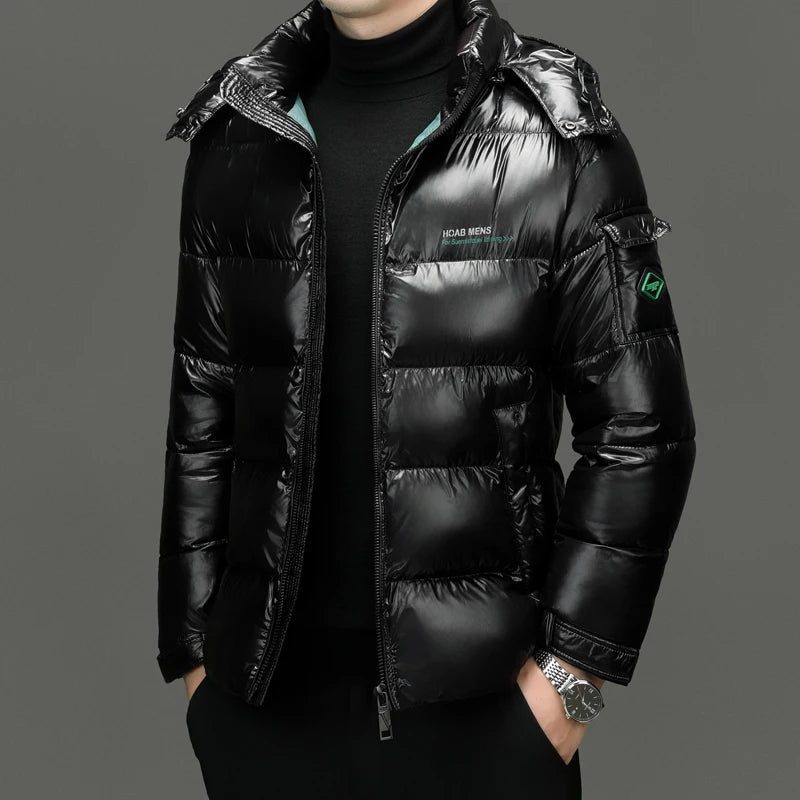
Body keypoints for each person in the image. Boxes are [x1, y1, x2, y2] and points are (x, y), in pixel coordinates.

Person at [156, 0, 697, 797]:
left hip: (485, 723)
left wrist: (568, 684)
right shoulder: (240, 129)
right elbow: (201, 415)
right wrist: (197, 665)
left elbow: (643, 430)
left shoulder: (555, 134)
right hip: (259, 716)